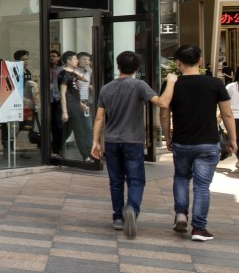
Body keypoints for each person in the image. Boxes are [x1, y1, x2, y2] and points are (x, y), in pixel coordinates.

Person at [90, 51, 176, 238]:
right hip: (133, 141)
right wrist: (170, 82)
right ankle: (132, 209)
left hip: (112, 141)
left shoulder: (106, 88)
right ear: (136, 68)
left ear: (118, 66)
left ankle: (118, 217)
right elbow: (162, 103)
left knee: (116, 180)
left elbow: (99, 118)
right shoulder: (139, 86)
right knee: (136, 180)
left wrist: (96, 142)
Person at [160, 45, 237, 241]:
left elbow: (164, 112)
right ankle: (199, 229)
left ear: (178, 63)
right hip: (207, 142)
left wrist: (167, 137)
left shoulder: (172, 84)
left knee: (181, 178)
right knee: (202, 186)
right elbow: (227, 113)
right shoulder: (215, 83)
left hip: (182, 141)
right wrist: (233, 138)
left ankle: (181, 214)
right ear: (200, 61)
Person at [58, 51, 91, 161]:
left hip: (76, 106)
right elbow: (63, 93)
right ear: (68, 61)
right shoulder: (63, 74)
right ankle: (86, 156)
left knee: (66, 132)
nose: (77, 61)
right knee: (79, 132)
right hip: (70, 108)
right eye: (75, 59)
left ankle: (54, 149)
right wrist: (65, 111)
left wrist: (80, 104)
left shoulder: (72, 74)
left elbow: (84, 81)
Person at [49, 50, 63, 155]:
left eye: (54, 56)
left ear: (58, 58)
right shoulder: (47, 69)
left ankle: (59, 146)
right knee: (51, 124)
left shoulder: (62, 69)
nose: (52, 58)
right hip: (49, 99)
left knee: (58, 123)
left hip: (59, 99)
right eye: (50, 56)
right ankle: (54, 147)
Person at [227, 76, 239, 173]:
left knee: (236, 140)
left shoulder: (230, 86)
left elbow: (224, 103)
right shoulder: (230, 86)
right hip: (233, 117)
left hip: (233, 117)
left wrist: (220, 116)